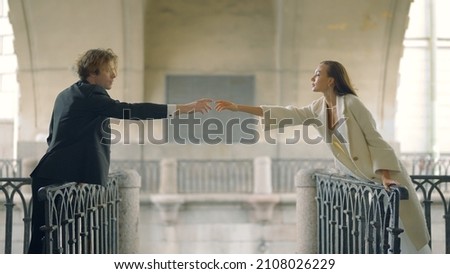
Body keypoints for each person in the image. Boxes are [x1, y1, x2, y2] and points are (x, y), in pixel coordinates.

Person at [215, 60, 431, 254]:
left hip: (387, 177)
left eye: (318, 73)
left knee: (410, 239)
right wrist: (237, 108)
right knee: (390, 242)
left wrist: (385, 176)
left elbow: (375, 141)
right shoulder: (318, 108)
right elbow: (285, 113)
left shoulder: (352, 104)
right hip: (366, 183)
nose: (313, 77)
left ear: (331, 81)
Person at [28, 48, 212, 253]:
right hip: (60, 181)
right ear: (93, 71)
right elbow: (132, 111)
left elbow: (52, 137)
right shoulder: (92, 94)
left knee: (43, 241)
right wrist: (183, 108)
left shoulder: (66, 94)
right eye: (109, 70)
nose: (114, 75)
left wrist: (76, 171)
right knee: (62, 243)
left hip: (49, 175)